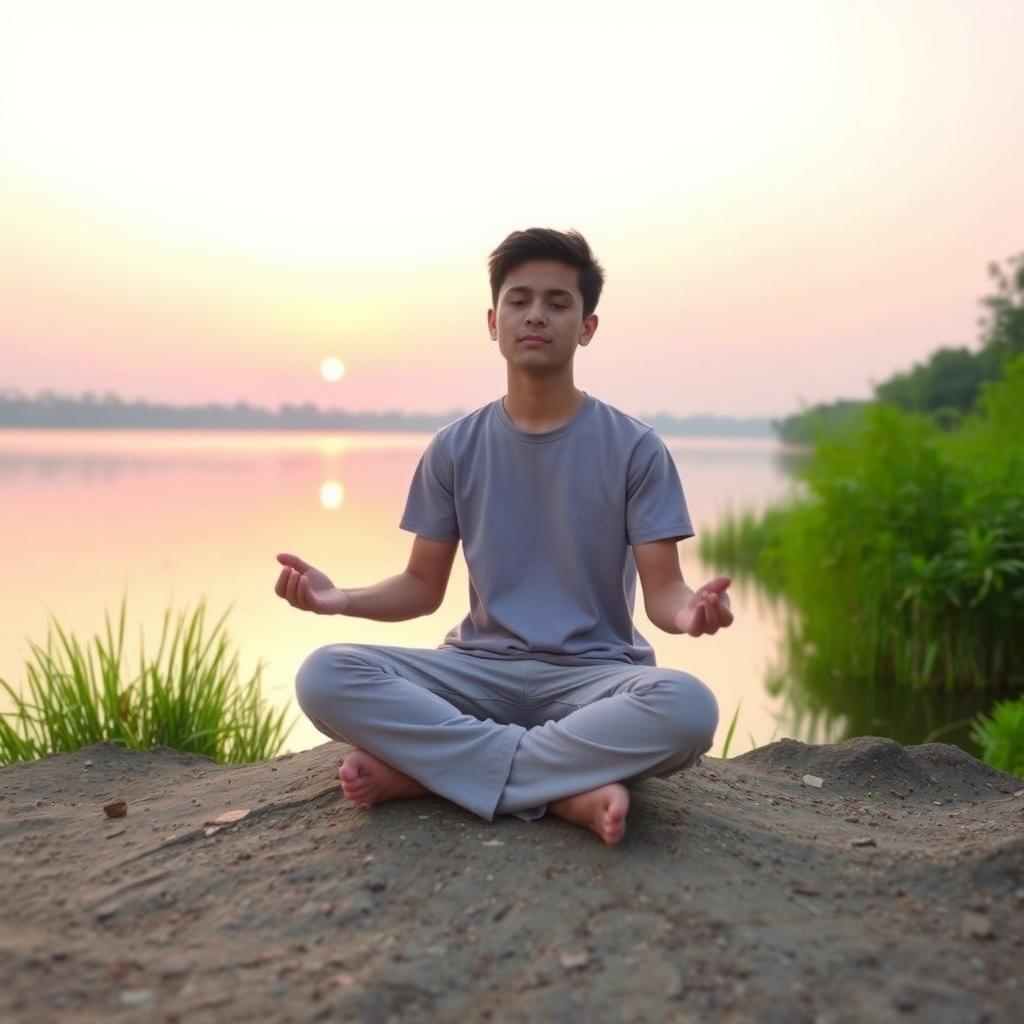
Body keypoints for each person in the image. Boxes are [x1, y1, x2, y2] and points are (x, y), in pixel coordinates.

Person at [274, 228, 733, 845]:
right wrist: (342, 600)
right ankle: (564, 791)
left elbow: (663, 593)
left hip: (593, 680)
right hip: (475, 675)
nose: (536, 315)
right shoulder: (455, 448)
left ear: (587, 327)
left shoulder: (636, 448)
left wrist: (692, 611)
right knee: (325, 675)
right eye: (519, 301)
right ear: (494, 322)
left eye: (557, 302)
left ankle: (433, 776)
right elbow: (421, 586)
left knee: (688, 707)